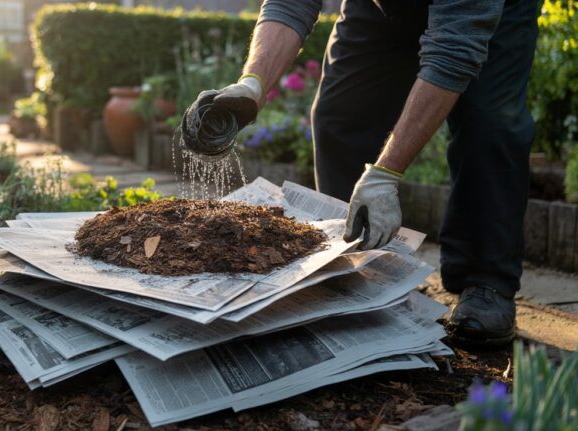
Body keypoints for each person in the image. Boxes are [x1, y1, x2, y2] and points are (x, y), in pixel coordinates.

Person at [198, 0, 539, 347]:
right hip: (379, 8)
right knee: (340, 115)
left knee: (489, 126)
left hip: (489, 11)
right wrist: (252, 85)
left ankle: (486, 280)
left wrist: (385, 172)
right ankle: (360, 268)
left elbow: (453, 51)